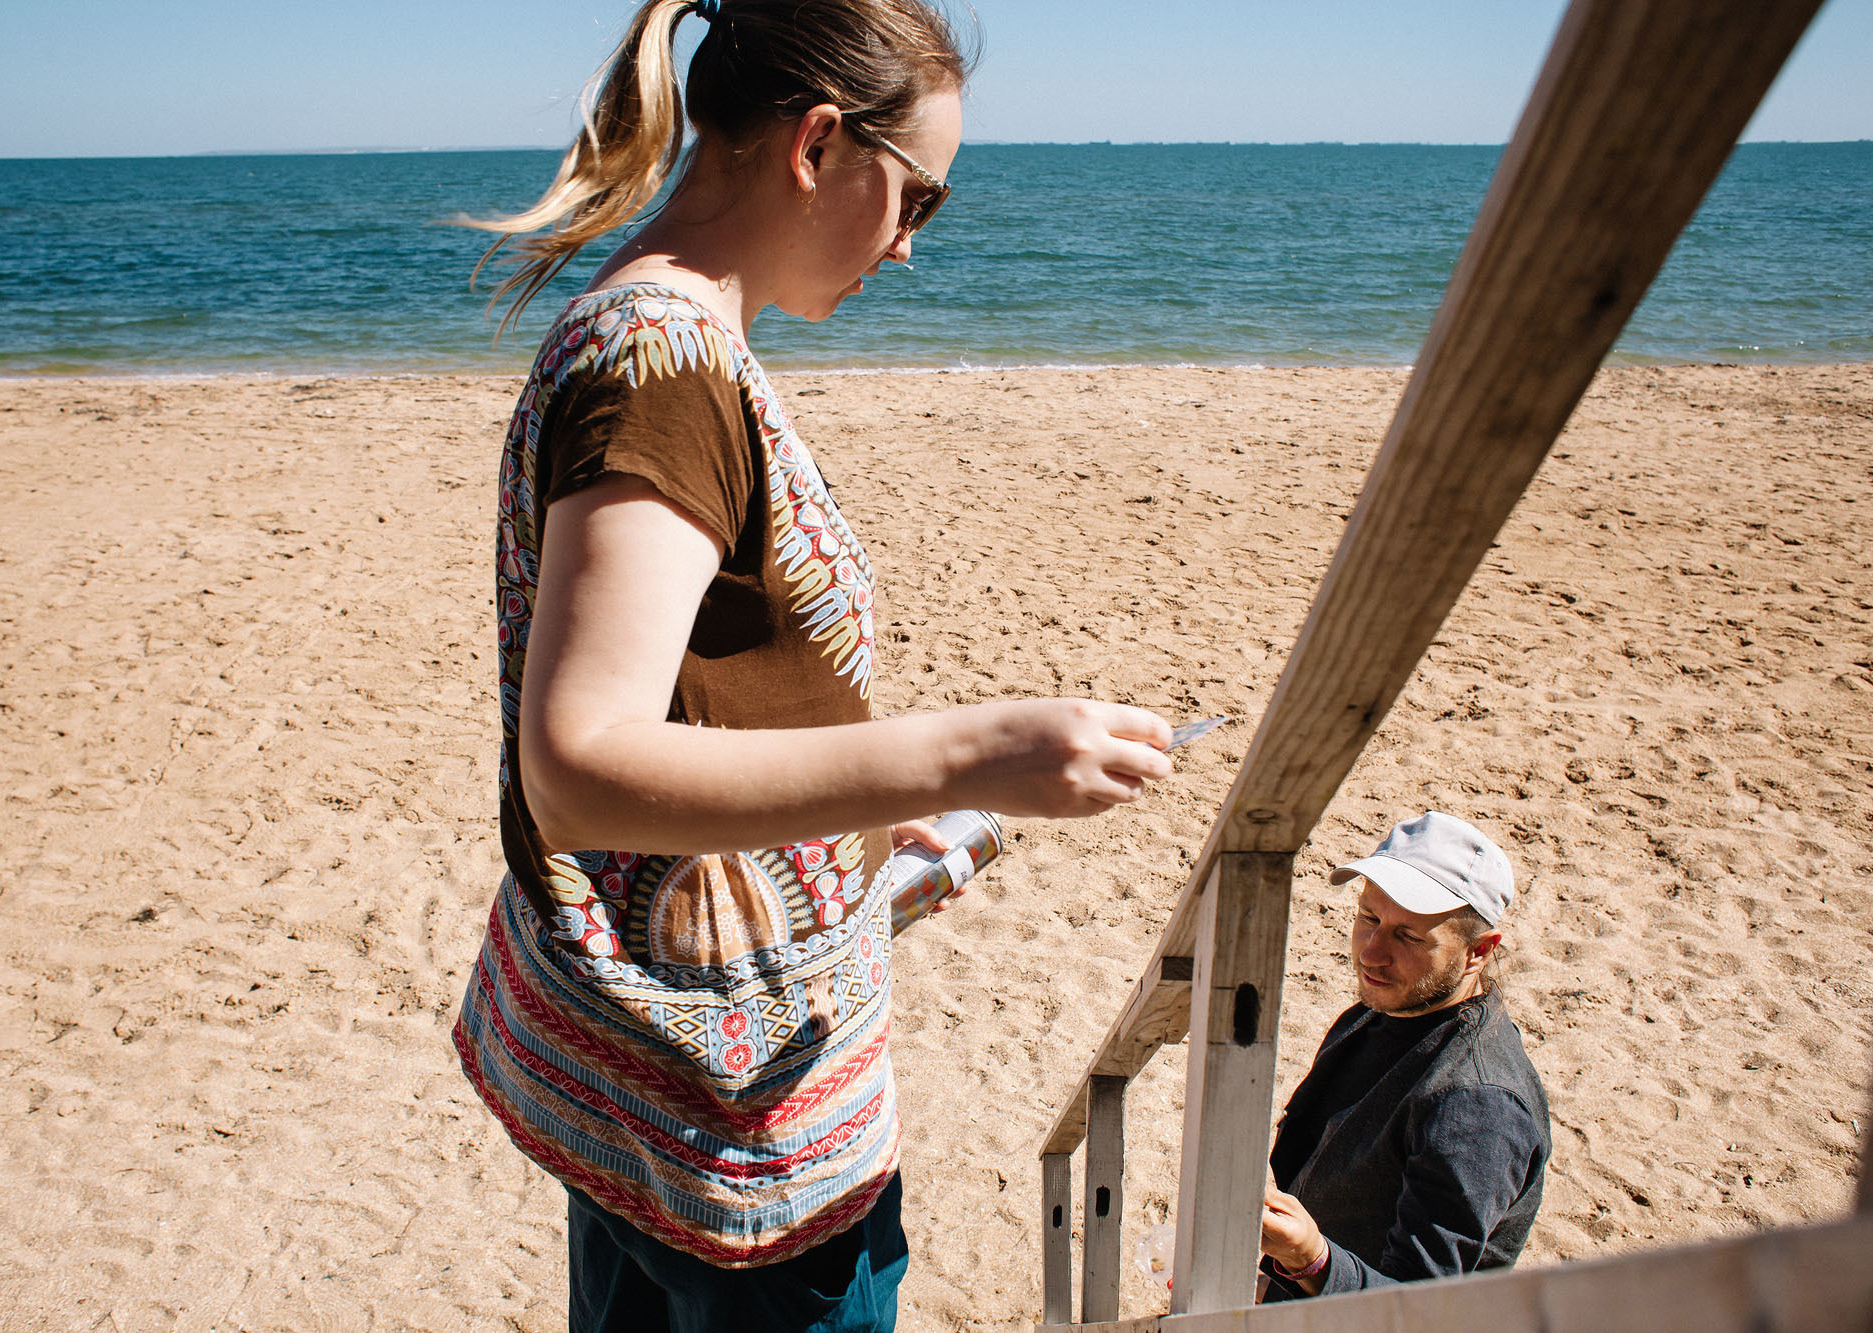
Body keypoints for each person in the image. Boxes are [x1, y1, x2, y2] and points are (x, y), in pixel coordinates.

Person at [447, 3, 1176, 1330]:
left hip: (670, 1087)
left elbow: (705, 688)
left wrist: (857, 820)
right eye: (915, 202)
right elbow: (582, 762)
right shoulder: (660, 357)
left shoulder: (682, 339)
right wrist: (978, 752)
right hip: (719, 1122)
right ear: (819, 143)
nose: (906, 250)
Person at [1257, 811, 1551, 1302]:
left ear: (1478, 952)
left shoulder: (1476, 1106)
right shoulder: (1386, 1008)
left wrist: (1310, 1259)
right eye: (1369, 917)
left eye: (1409, 936)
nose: (1371, 953)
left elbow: (1419, 1309)